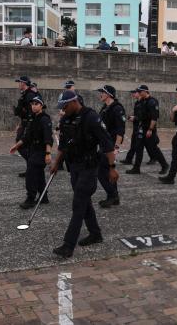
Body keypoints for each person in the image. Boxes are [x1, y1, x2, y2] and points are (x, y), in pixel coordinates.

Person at [49, 90, 118, 258]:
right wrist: (56, 163)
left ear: (74, 102)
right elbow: (63, 145)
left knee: (78, 204)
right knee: (85, 203)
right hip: (74, 167)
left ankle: (68, 245)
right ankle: (95, 234)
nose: (63, 110)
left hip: (89, 168)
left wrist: (112, 167)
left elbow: (107, 144)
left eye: (65, 106)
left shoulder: (91, 118)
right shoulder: (66, 119)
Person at [9, 96, 53, 209]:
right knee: (38, 175)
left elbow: (48, 138)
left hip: (41, 151)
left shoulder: (45, 119)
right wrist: (16, 146)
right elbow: (27, 137)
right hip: (33, 150)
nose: (33, 106)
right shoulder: (32, 118)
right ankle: (44, 197)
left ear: (41, 106)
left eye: (36, 104)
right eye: (32, 104)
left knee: (31, 175)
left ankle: (30, 199)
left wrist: (48, 154)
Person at [126, 85, 169, 175]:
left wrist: (150, 129)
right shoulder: (142, 101)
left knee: (154, 148)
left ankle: (164, 165)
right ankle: (136, 168)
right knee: (138, 148)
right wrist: (135, 118)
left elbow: (154, 118)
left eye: (140, 91)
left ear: (146, 91)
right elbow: (142, 115)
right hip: (141, 128)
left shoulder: (152, 101)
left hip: (149, 129)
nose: (139, 93)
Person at [96, 85, 126, 208]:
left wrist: (116, 147)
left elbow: (120, 130)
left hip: (110, 146)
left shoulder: (117, 108)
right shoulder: (104, 108)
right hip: (103, 144)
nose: (100, 94)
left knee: (101, 171)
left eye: (102, 92)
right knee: (108, 171)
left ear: (109, 94)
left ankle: (112, 195)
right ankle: (113, 197)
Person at [120, 89, 155, 166]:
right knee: (135, 143)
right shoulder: (137, 103)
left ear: (139, 93)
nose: (133, 94)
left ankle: (153, 158)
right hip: (137, 126)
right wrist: (133, 117)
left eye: (134, 93)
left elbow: (144, 116)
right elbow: (138, 115)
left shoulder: (144, 103)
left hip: (142, 127)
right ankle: (129, 159)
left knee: (146, 144)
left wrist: (135, 118)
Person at [13, 76, 36, 177]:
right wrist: (21, 124)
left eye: (20, 82)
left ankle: (33, 166)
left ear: (23, 83)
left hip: (29, 124)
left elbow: (32, 112)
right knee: (25, 146)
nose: (18, 84)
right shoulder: (25, 94)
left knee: (21, 144)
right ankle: (30, 169)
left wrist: (29, 125)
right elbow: (23, 112)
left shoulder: (30, 95)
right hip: (25, 123)